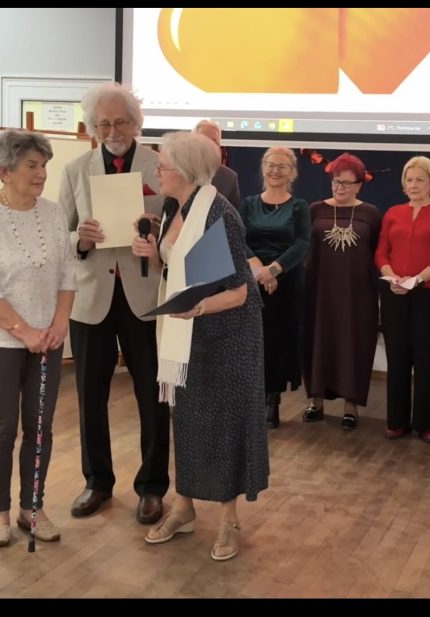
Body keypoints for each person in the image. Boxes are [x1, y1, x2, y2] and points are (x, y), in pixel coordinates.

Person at [132, 131, 268, 561]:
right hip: (187, 331)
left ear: (186, 170)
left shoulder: (219, 214)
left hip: (227, 335)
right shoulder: (173, 206)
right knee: (187, 420)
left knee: (224, 424)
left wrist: (200, 308)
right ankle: (184, 507)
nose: (157, 171)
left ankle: (228, 519)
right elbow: (175, 269)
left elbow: (239, 291)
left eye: (163, 165)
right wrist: (151, 254)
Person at [58, 82, 169, 525]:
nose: (112, 131)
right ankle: (97, 482)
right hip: (91, 298)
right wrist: (80, 239)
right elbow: (61, 234)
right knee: (90, 396)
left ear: (136, 123)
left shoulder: (161, 165)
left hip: (146, 294)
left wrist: (157, 231)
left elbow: (179, 226)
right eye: (103, 123)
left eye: (120, 122)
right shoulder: (74, 170)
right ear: (92, 127)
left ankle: (152, 487)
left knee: (153, 396)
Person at [0, 129, 75, 547]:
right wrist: (23, 332)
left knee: (40, 428)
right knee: (2, 429)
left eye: (44, 165)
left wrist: (59, 324)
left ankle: (32, 508)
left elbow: (67, 274)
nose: (41, 173)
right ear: (5, 171)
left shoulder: (54, 214)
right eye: (32, 165)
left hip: (47, 339)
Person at [375, 155, 430, 443]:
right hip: (395, 292)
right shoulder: (393, 213)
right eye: (409, 180)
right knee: (397, 357)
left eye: (420, 180)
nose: (413, 185)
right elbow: (381, 252)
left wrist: (417, 280)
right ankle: (396, 421)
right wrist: (393, 277)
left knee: (428, 359)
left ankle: (425, 423)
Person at [302, 153, 382, 430]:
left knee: (354, 345)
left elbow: (378, 253)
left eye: (347, 183)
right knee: (317, 342)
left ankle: (351, 407)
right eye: (336, 181)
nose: (340, 187)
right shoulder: (315, 209)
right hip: (319, 292)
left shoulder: (371, 214)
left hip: (357, 295)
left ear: (359, 185)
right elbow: (304, 247)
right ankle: (316, 402)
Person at [239, 147, 309, 429]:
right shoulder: (248, 204)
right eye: (270, 165)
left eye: (282, 166)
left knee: (278, 340)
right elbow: (239, 239)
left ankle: (272, 399)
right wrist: (260, 269)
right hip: (252, 280)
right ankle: (252, 398)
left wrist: (274, 269)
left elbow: (302, 243)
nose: (275, 171)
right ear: (263, 168)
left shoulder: (299, 207)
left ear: (292, 173)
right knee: (252, 340)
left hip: (286, 282)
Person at [194, 119, 241, 208]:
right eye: (205, 140)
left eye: (215, 141)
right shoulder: (179, 171)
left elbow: (233, 213)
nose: (210, 145)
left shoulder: (229, 178)